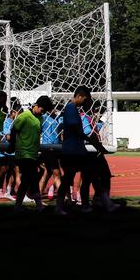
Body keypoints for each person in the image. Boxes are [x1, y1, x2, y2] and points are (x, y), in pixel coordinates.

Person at [55, 86, 95, 215]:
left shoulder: (72, 109)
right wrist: (87, 138)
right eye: (85, 99)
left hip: (76, 149)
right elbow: (75, 129)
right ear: (79, 96)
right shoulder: (71, 108)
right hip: (73, 150)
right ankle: (63, 207)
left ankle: (80, 205)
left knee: (84, 175)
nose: (85, 102)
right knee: (69, 178)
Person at [10, 95, 47, 210]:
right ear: (36, 106)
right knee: (30, 178)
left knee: (29, 179)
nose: (42, 113)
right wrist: (12, 145)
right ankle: (37, 204)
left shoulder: (40, 118)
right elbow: (13, 130)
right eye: (42, 110)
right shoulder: (24, 116)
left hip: (33, 154)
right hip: (23, 153)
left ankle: (21, 204)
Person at [0, 99, 22, 200]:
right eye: (19, 113)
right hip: (4, 151)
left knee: (13, 172)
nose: (20, 115)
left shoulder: (17, 122)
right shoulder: (7, 122)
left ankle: (9, 190)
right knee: (3, 170)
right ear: (13, 112)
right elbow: (8, 137)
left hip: (13, 151)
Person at [38, 102, 63, 202]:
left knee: (47, 173)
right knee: (57, 173)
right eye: (54, 108)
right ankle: (62, 198)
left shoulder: (59, 118)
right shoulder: (43, 118)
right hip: (48, 148)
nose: (56, 110)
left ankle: (38, 197)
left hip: (56, 148)